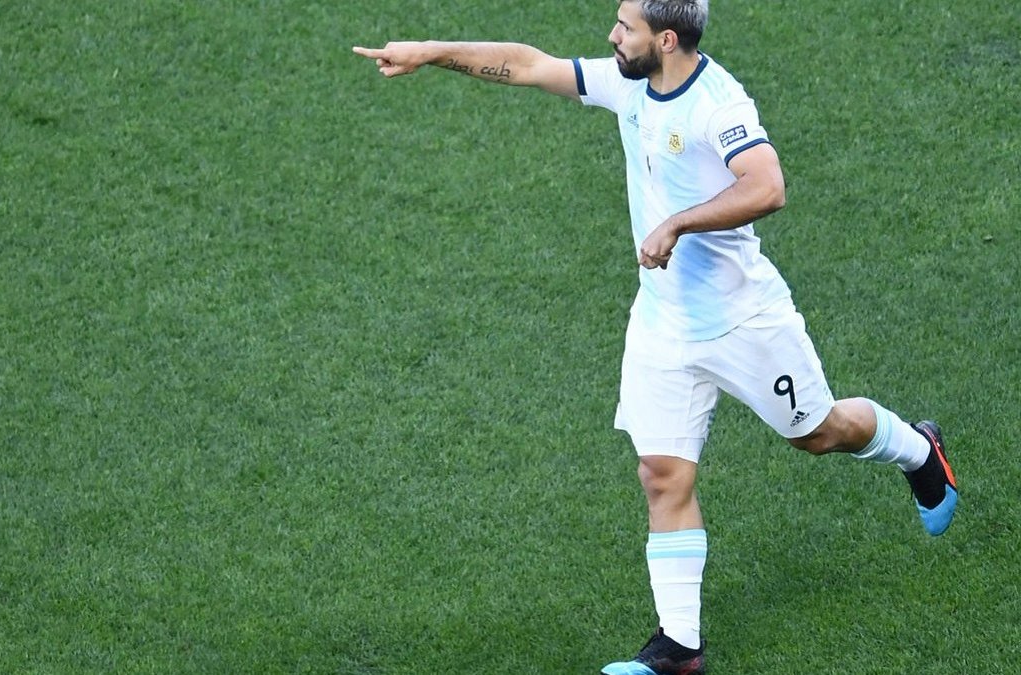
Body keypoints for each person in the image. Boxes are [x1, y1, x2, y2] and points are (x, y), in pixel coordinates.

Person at [353, 1, 958, 673]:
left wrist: (677, 223)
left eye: (626, 27)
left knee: (816, 432)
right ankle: (679, 647)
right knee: (662, 474)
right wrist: (429, 51)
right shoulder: (628, 81)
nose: (612, 36)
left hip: (745, 321)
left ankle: (917, 449)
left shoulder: (718, 106)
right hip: (663, 323)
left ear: (666, 39)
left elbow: (768, 186)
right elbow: (529, 65)